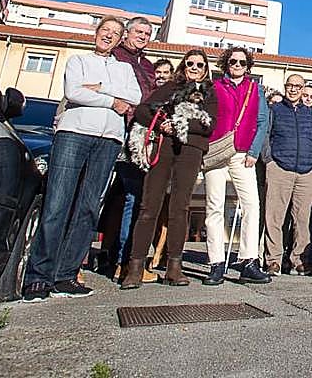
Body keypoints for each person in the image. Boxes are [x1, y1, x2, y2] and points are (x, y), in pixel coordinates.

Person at [23, 18, 141, 301]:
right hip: (73, 133)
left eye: (115, 34)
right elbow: (73, 92)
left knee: (89, 208)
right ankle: (38, 277)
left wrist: (96, 89)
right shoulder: (77, 61)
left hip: (109, 139)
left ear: (120, 40)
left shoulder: (125, 68)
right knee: (57, 203)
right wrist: (112, 99)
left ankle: (66, 275)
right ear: (96, 33)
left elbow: (134, 96)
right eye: (105, 32)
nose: (109, 37)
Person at [121, 49, 216, 288]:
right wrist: (161, 123)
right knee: (148, 205)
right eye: (190, 63)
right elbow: (143, 110)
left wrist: (180, 124)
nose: (194, 68)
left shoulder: (209, 92)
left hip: (191, 149)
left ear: (206, 69)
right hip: (163, 148)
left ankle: (174, 266)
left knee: (180, 207)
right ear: (183, 66)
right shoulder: (171, 87)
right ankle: (135, 267)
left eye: (200, 65)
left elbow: (210, 124)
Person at [203, 47, 271, 286]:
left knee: (252, 204)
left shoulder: (255, 89)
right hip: (217, 151)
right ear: (226, 63)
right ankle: (216, 263)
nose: (237, 65)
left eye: (242, 62)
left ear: (248, 65)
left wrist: (254, 151)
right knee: (214, 205)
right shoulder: (215, 87)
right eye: (233, 61)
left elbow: (262, 121)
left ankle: (248, 260)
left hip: (243, 153)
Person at [103, 17, 158, 281]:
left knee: (133, 199)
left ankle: (125, 262)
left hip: (138, 137)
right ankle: (83, 261)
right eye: (139, 31)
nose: (143, 36)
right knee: (100, 197)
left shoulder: (147, 65)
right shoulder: (114, 56)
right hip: (112, 130)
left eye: (147, 33)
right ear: (126, 33)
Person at [260, 74, 312, 276]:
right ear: (285, 87)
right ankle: (273, 260)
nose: (294, 89)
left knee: (302, 219)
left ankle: (299, 260)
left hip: (307, 171)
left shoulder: (309, 113)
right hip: (279, 168)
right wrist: (268, 160)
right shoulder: (275, 110)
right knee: (274, 217)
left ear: (303, 88)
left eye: (298, 86)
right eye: (290, 85)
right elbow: (265, 136)